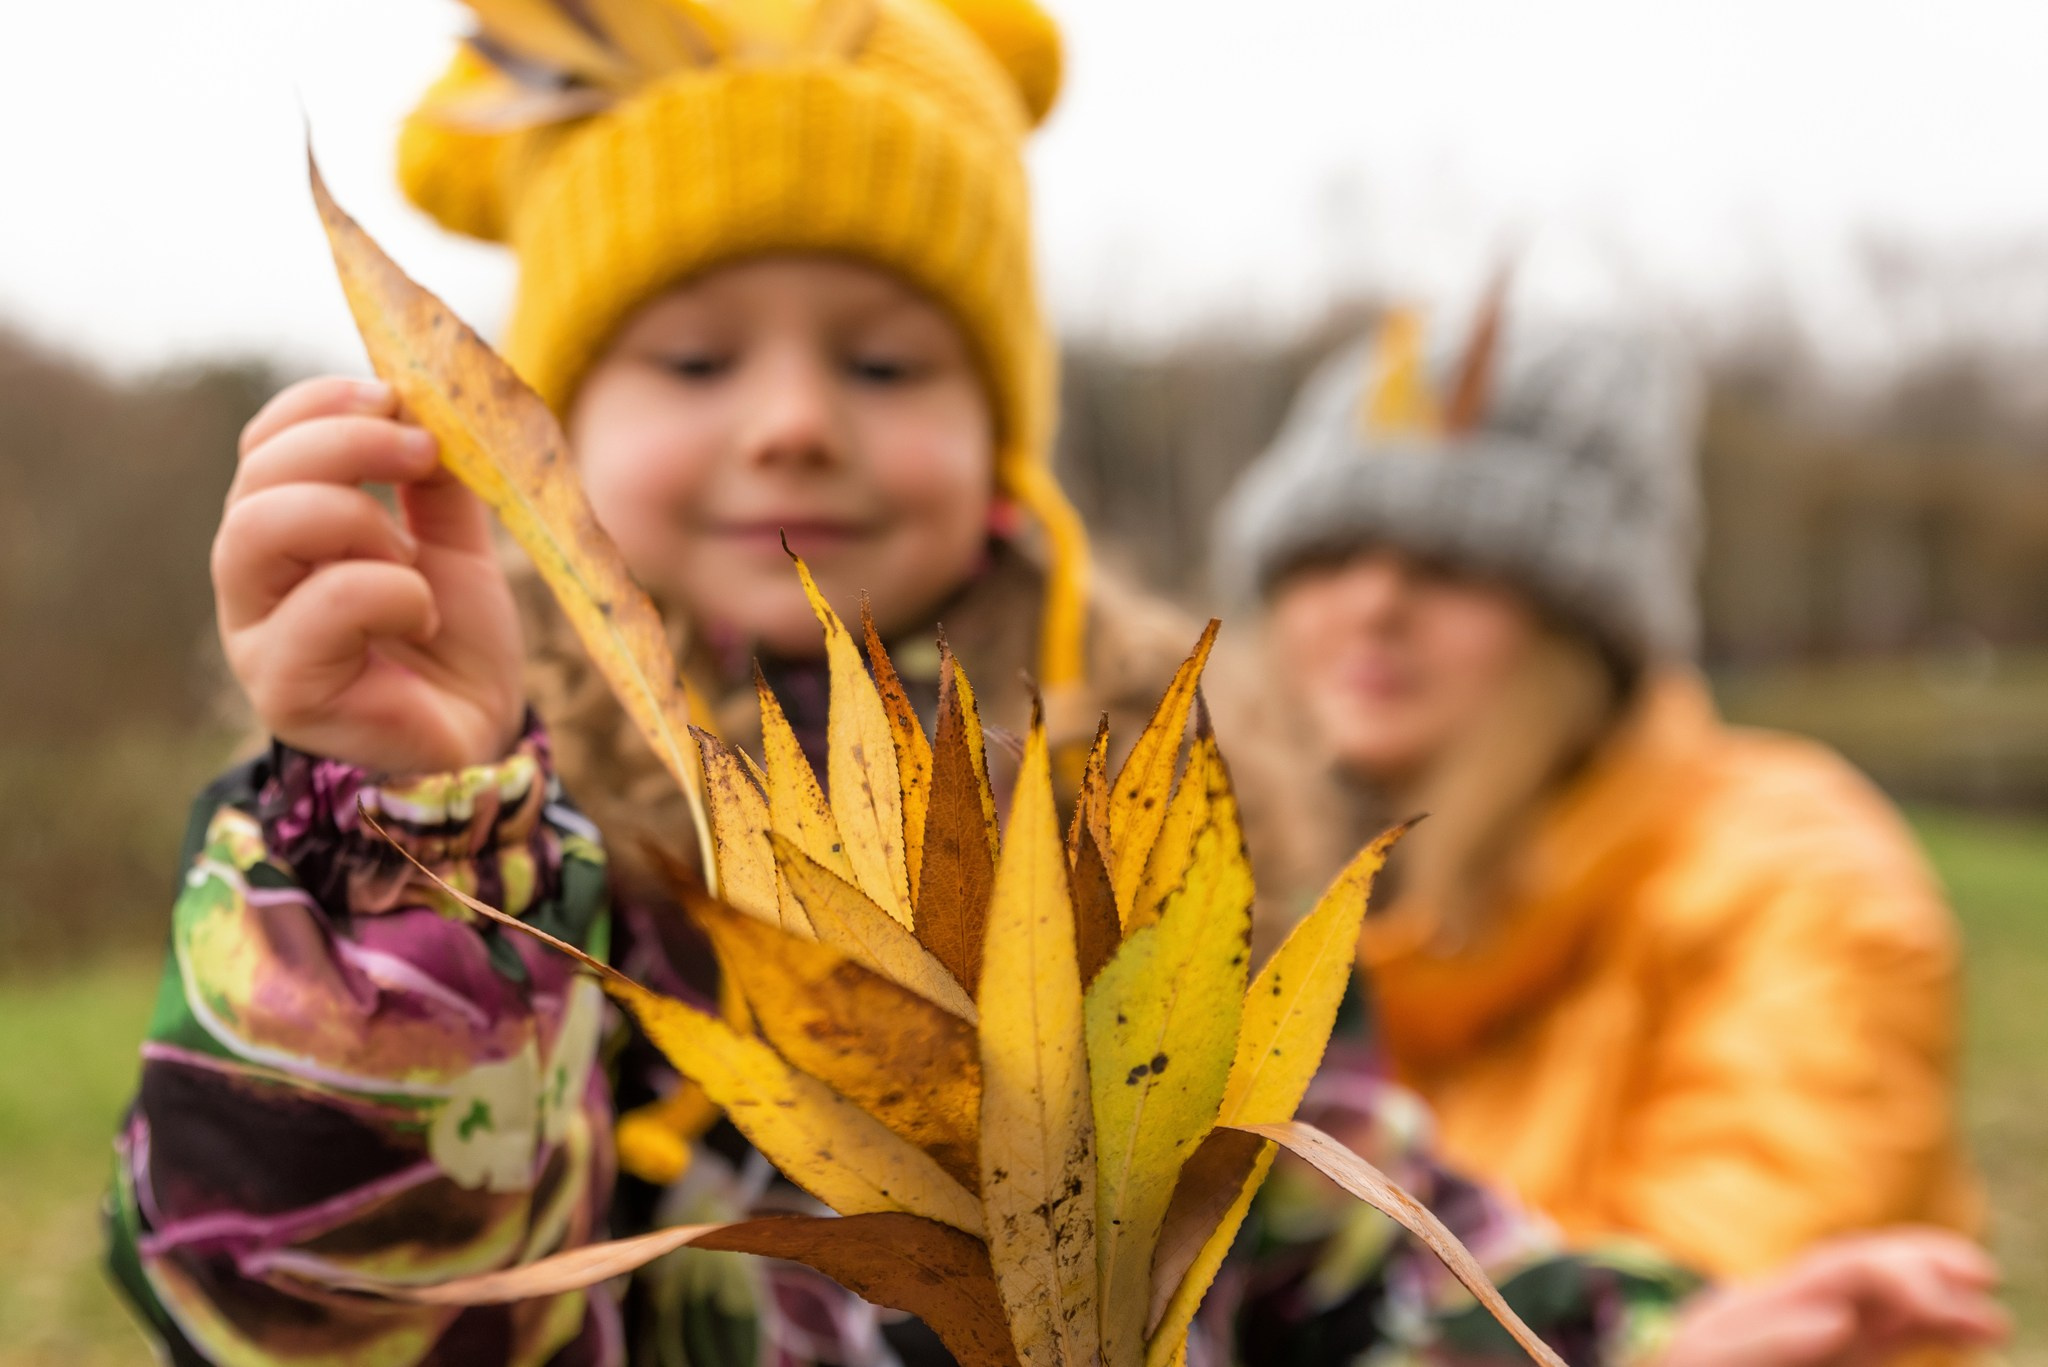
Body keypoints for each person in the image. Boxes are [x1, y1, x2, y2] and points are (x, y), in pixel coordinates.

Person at [99, 0, 2000, 1359]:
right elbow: (301, 1302)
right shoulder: (498, 846)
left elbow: (1322, 1240)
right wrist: (401, 831)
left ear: (1007, 437)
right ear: (539, 441)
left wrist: (1624, 1339)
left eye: (882, 362)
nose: (791, 427)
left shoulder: (1158, 801)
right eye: (691, 364)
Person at [1215, 292, 1990, 1361]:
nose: (1374, 602)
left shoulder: (1788, 877)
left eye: (1449, 562)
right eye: (1329, 554)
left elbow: (1700, 1308)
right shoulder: (1234, 884)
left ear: (1576, 623)